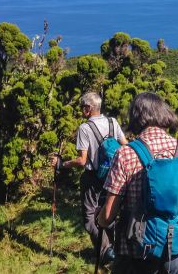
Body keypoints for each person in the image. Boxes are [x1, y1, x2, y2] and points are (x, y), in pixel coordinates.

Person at [98, 92, 178, 274]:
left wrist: (100, 219)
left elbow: (109, 215)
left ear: (136, 117)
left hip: (137, 251)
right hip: (177, 248)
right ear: (163, 113)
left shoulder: (126, 153)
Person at [51, 91, 127, 265]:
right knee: (107, 213)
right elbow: (126, 146)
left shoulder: (85, 128)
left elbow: (82, 160)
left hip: (92, 178)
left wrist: (62, 164)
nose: (81, 110)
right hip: (113, 176)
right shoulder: (112, 122)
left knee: (89, 219)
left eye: (82, 106)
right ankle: (107, 252)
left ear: (88, 108)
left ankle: (107, 250)